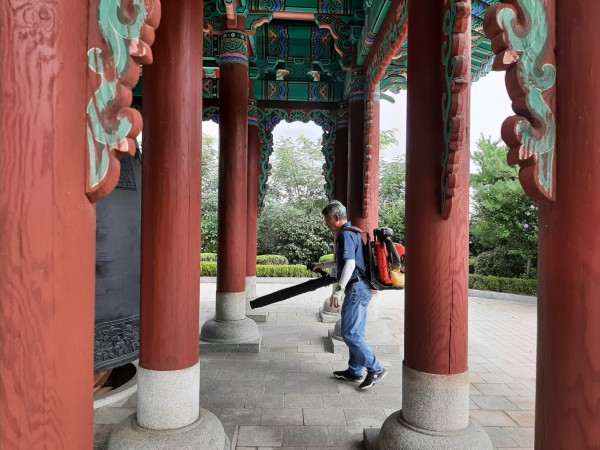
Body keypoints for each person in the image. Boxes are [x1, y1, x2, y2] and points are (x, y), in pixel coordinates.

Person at [321, 201, 387, 390]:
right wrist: (321, 265)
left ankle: (376, 368)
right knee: (355, 332)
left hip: (356, 289)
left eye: (327, 220)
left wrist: (339, 289)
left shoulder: (346, 235)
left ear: (336, 217)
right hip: (362, 288)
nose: (326, 224)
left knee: (349, 333)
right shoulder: (353, 233)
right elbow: (343, 263)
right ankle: (354, 370)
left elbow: (350, 264)